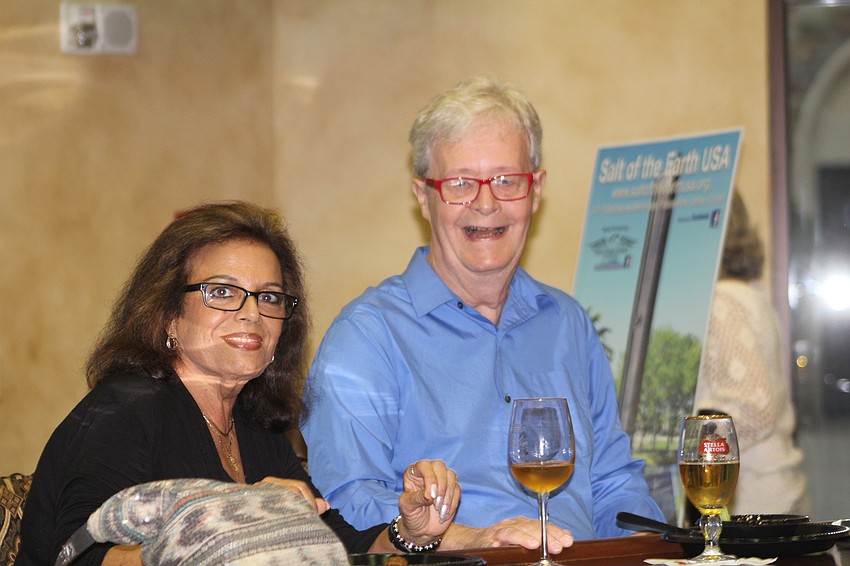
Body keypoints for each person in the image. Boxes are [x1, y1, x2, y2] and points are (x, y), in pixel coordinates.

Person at [302, 74, 666, 547]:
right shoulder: (367, 336)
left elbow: (614, 482)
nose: (487, 203)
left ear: (536, 191)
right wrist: (479, 538)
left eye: (507, 180)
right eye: (459, 183)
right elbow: (349, 508)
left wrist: (660, 546)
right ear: (422, 196)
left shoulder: (568, 325)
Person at [18, 201, 461, 565]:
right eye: (222, 292)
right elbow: (75, 556)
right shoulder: (125, 411)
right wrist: (234, 516)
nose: (252, 313)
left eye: (269, 297)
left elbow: (337, 547)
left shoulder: (255, 426)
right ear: (169, 311)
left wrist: (409, 531)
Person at [694, 191, 809, 515]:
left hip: (748, 503)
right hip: (772, 493)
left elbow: (755, 410)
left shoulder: (722, 300)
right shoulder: (748, 295)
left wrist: (686, 432)